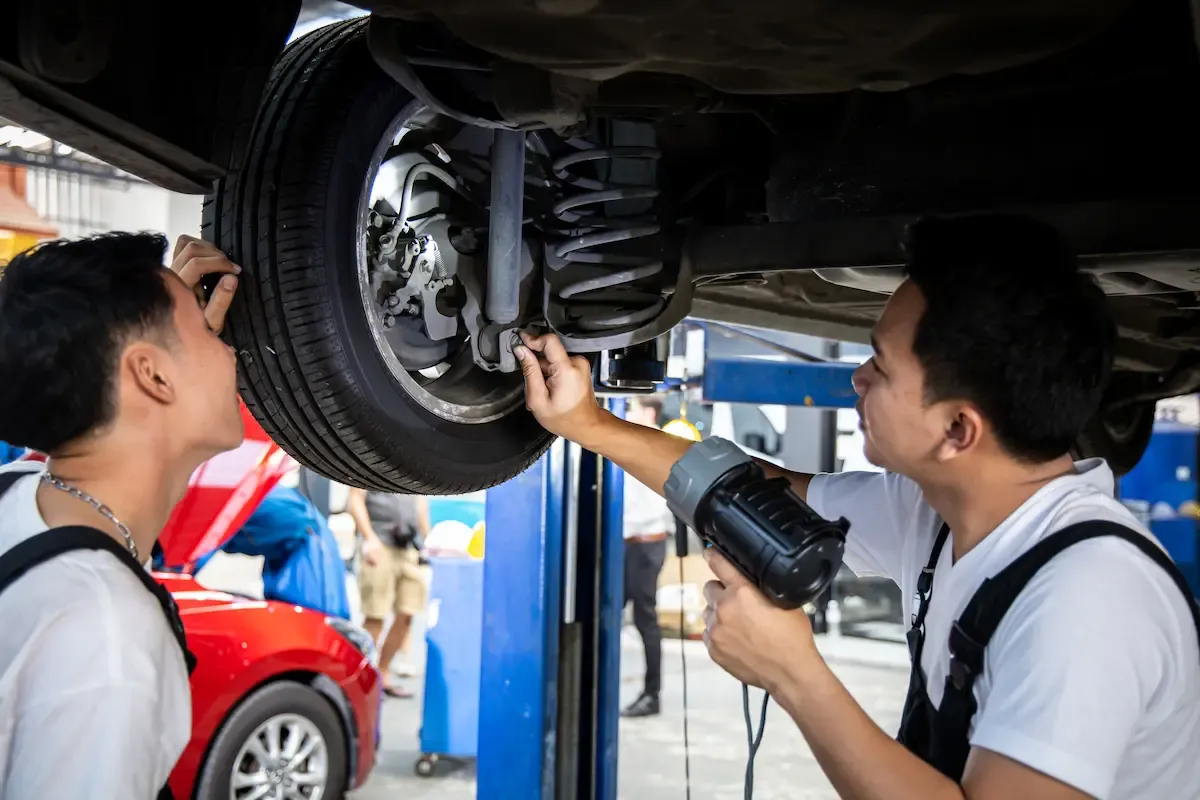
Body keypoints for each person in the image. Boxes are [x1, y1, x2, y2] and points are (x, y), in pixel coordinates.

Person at [515, 214, 1200, 799]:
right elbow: (750, 493)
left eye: (880, 365)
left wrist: (794, 673)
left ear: (958, 430)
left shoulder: (1086, 601)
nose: (856, 378)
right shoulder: (939, 513)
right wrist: (591, 425)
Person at [0, 232, 242, 799]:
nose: (228, 348)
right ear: (152, 376)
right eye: (202, 332)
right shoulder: (107, 633)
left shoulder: (19, 494)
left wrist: (164, 335)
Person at [620, 396, 676, 718]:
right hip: (630, 543)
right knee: (610, 611)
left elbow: (651, 506)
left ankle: (652, 694)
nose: (628, 413)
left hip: (645, 543)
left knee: (645, 619)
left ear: (649, 412)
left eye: (632, 408)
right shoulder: (635, 443)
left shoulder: (655, 447)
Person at [348, 487, 431, 699]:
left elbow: (419, 502)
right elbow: (355, 500)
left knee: (407, 613)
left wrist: (427, 541)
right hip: (379, 542)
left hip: (409, 545)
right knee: (375, 615)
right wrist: (368, 538)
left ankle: (382, 672)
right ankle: (359, 678)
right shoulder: (370, 459)